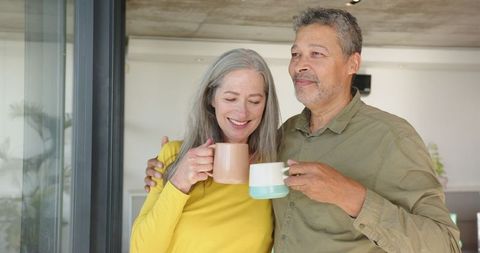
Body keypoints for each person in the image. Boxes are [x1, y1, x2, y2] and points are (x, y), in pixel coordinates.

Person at [144, 8, 461, 253]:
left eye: (317, 54)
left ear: (353, 64)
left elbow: (445, 244)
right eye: (296, 54)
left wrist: (352, 197)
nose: (299, 66)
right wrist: (166, 173)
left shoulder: (392, 138)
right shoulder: (282, 138)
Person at [130, 48, 281, 253]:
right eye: (230, 98)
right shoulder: (174, 155)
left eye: (254, 101)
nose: (242, 112)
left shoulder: (271, 165)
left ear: (266, 105)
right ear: (211, 98)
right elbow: (141, 249)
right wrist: (178, 183)